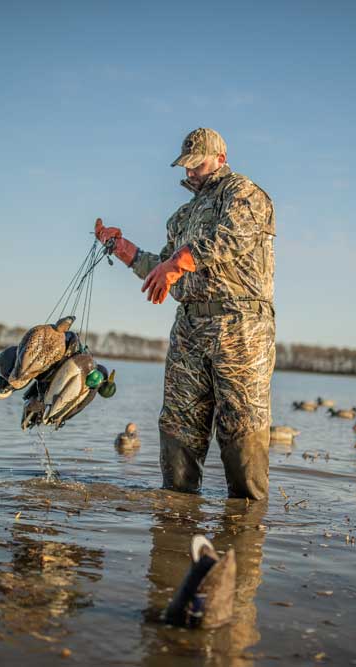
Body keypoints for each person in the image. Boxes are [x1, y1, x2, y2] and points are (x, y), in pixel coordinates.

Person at [94, 128, 275, 500]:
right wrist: (123, 248)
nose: (191, 172)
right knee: (178, 423)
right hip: (189, 325)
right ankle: (176, 518)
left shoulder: (242, 193)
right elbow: (161, 266)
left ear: (221, 159)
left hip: (239, 324)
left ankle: (245, 524)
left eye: (199, 164)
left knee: (241, 424)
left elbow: (232, 238)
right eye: (186, 166)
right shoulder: (182, 216)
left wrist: (179, 262)